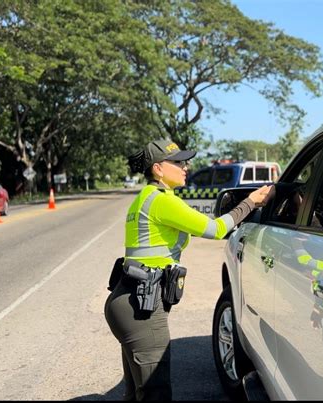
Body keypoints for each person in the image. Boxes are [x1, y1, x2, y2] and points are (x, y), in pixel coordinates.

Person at [104, 139, 274, 401]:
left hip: (128, 300)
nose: (186, 166)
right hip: (141, 309)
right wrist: (250, 202)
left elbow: (184, 233)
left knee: (137, 394)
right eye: (178, 162)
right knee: (155, 393)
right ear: (158, 169)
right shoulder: (161, 201)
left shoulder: (151, 197)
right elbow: (216, 229)